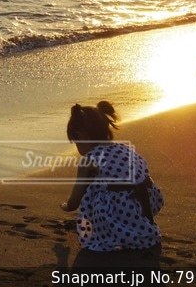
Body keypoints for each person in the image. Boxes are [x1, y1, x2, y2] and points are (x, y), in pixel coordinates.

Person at [60, 102, 164, 252]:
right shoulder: (124, 149)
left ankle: (112, 234)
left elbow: (74, 202)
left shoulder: (89, 160)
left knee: (93, 194)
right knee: (108, 187)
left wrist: (65, 206)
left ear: (81, 136)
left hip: (119, 211)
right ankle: (135, 227)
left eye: (76, 142)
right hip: (146, 202)